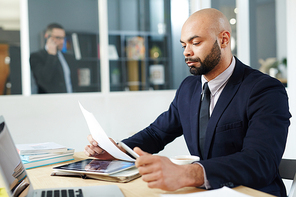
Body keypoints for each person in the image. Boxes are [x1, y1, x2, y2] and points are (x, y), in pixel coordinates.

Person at [84, 8, 291, 197]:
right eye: (184, 45)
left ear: (224, 40)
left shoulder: (265, 89)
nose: (186, 52)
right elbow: (156, 134)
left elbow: (260, 161)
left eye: (196, 42)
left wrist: (188, 173)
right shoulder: (189, 88)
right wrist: (117, 150)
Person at [30, 23, 77, 93]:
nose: (62, 41)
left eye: (63, 38)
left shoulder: (69, 58)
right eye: (58, 38)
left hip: (70, 100)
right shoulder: (36, 57)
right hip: (50, 101)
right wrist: (51, 55)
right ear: (47, 36)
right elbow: (44, 80)